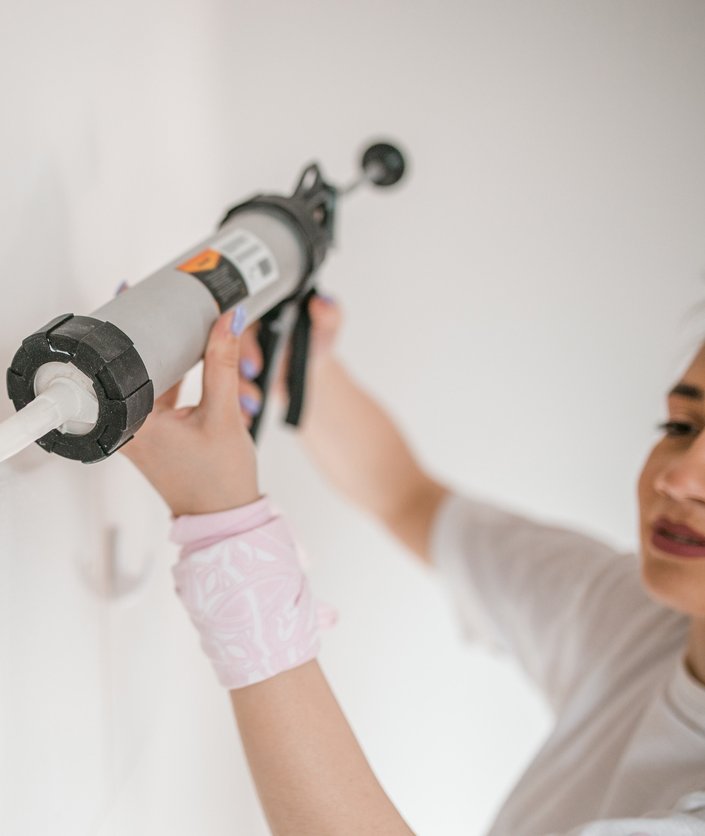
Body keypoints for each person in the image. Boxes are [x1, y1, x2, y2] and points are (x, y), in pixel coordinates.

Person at [120, 298, 705, 835]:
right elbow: (408, 498)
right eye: (682, 427)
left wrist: (228, 537)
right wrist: (302, 368)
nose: (677, 480)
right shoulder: (639, 620)